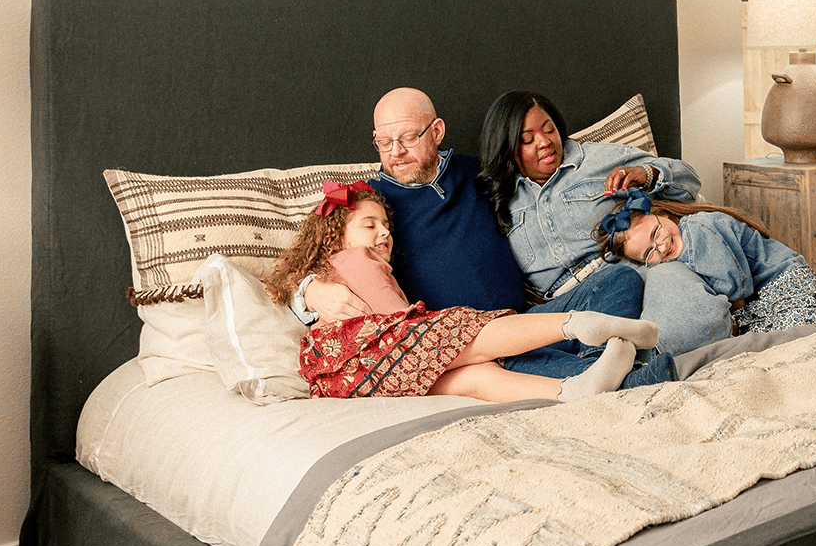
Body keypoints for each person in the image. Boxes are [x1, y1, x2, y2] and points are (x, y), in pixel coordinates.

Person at [295, 88, 672, 386]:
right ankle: (624, 378)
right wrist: (309, 292)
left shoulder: (479, 172)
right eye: (383, 142)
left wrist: (638, 180)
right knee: (519, 364)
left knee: (619, 279)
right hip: (475, 345)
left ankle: (600, 366)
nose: (396, 152)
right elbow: (311, 257)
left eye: (409, 137)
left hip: (528, 316)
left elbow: (547, 189)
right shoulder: (371, 204)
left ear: (436, 131)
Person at [266, 182, 659, 402]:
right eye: (370, 225)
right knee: (465, 330)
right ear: (335, 234)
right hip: (376, 356)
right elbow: (396, 320)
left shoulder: (332, 271)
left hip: (359, 381)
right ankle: (578, 327)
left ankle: (571, 390)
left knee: (475, 378)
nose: (384, 232)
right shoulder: (355, 260)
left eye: (385, 224)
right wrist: (309, 289)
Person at [479, 90, 732, 354]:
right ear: (507, 147)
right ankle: (624, 360)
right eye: (527, 140)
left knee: (688, 326)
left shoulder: (597, 160)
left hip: (633, 276)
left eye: (549, 130)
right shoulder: (499, 198)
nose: (544, 142)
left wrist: (646, 175)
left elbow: (689, 182)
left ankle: (630, 359)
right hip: (567, 305)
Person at [593, 189, 816, 334]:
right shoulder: (674, 243)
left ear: (662, 214)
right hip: (762, 292)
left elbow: (737, 290)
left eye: (655, 233)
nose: (661, 247)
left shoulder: (698, 234)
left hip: (784, 278)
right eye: (649, 254)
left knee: (773, 331)